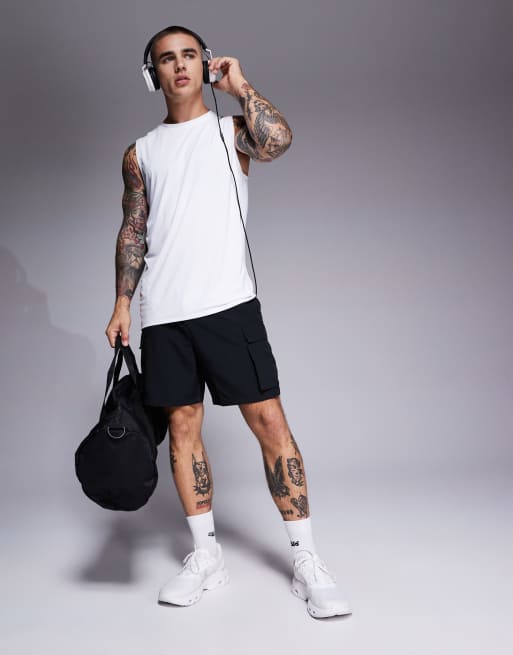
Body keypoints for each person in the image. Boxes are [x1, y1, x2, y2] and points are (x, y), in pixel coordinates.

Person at [105, 25, 351, 619]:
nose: (180, 66)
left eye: (190, 56)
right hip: (165, 313)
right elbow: (133, 228)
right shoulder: (140, 153)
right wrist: (121, 303)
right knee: (183, 430)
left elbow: (280, 140)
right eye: (167, 59)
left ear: (205, 63)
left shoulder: (231, 131)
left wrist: (240, 87)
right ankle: (206, 556)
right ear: (152, 76)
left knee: (269, 422)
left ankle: (307, 561)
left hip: (229, 306)